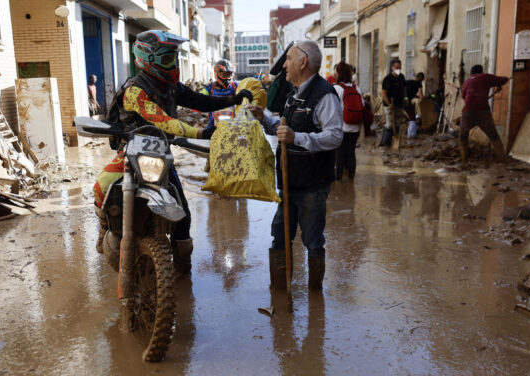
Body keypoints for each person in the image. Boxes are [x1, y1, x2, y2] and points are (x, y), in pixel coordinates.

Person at [94, 30, 252, 273]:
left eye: (174, 59)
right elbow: (162, 120)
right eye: (168, 59)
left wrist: (233, 99)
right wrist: (199, 134)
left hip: (160, 153)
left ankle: (182, 269)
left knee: (184, 214)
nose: (173, 64)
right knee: (102, 185)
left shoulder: (171, 85)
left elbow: (200, 101)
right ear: (147, 59)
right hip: (132, 150)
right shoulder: (135, 90)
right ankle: (104, 226)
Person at [248, 40, 343, 290]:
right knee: (279, 236)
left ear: (303, 62)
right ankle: (279, 290)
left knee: (312, 241)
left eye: (289, 59)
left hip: (312, 184)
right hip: (289, 183)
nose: (284, 65)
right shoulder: (293, 94)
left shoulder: (325, 95)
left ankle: (314, 296)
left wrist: (297, 138)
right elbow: (283, 131)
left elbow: (335, 136)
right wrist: (263, 119)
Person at [459, 64, 508, 163]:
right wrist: (502, 81)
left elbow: (463, 96)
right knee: (493, 135)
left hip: (468, 111)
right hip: (482, 111)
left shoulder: (467, 81)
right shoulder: (485, 77)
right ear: (481, 71)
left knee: (463, 136)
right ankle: (502, 160)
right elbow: (502, 80)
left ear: (471, 73)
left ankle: (464, 160)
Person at [333, 61, 364, 181]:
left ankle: (338, 178)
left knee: (339, 153)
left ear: (338, 74)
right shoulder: (356, 88)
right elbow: (362, 105)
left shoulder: (336, 88)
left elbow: (333, 109)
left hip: (341, 127)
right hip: (354, 127)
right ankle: (351, 178)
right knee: (351, 152)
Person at [380, 59, 416, 145]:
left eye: (400, 67)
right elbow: (384, 93)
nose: (398, 69)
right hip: (389, 104)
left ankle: (394, 143)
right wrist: (389, 104)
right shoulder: (387, 79)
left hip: (399, 104)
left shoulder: (401, 77)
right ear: (392, 68)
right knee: (389, 124)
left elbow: (404, 89)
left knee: (397, 124)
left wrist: (406, 99)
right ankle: (385, 143)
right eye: (396, 68)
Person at [200, 59, 238, 138]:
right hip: (214, 120)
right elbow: (201, 95)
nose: (227, 77)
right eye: (224, 75)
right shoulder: (211, 87)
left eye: (229, 75)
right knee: (207, 134)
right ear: (217, 74)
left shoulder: (235, 86)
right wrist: (199, 100)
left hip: (234, 119)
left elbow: (244, 90)